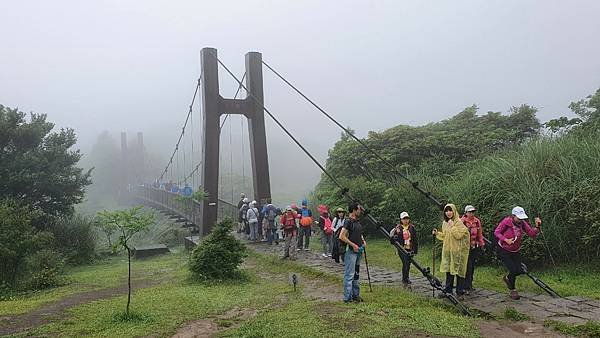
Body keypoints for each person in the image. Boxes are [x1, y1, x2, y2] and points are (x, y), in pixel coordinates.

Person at [494, 206, 541, 300]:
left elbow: (532, 233)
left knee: (520, 270)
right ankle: (513, 290)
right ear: (513, 216)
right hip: (504, 249)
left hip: (515, 250)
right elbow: (497, 232)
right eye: (518, 218)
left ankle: (507, 278)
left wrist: (537, 226)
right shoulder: (506, 222)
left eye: (521, 218)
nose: (520, 220)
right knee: (513, 270)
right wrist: (506, 240)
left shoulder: (522, 223)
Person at [432, 204, 470, 299]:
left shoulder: (459, 223)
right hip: (448, 251)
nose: (448, 213)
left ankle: (460, 292)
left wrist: (452, 226)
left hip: (458, 252)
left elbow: (458, 236)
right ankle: (448, 290)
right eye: (446, 211)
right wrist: (437, 233)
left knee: (458, 271)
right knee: (449, 271)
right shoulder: (445, 223)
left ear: (454, 211)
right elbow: (445, 236)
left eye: (450, 210)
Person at [338, 202, 367, 303]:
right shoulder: (348, 222)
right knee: (349, 274)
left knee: (356, 274)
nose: (360, 211)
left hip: (359, 250)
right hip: (350, 251)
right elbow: (341, 236)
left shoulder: (357, 222)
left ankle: (355, 295)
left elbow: (359, 233)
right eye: (359, 209)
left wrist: (363, 241)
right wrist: (353, 245)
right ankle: (347, 298)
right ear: (354, 210)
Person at [389, 211, 418, 286]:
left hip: (410, 248)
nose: (406, 220)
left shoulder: (412, 227)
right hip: (402, 248)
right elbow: (392, 238)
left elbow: (415, 239)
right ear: (401, 220)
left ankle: (406, 277)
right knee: (405, 263)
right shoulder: (398, 228)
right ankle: (405, 278)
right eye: (404, 219)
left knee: (408, 263)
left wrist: (415, 250)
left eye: (407, 218)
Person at [461, 205, 484, 294]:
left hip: (474, 247)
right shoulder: (462, 221)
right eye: (469, 212)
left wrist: (481, 243)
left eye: (473, 212)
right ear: (466, 213)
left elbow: (479, 233)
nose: (471, 213)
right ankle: (464, 286)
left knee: (472, 267)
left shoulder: (476, 221)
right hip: (464, 248)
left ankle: (469, 285)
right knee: (467, 267)